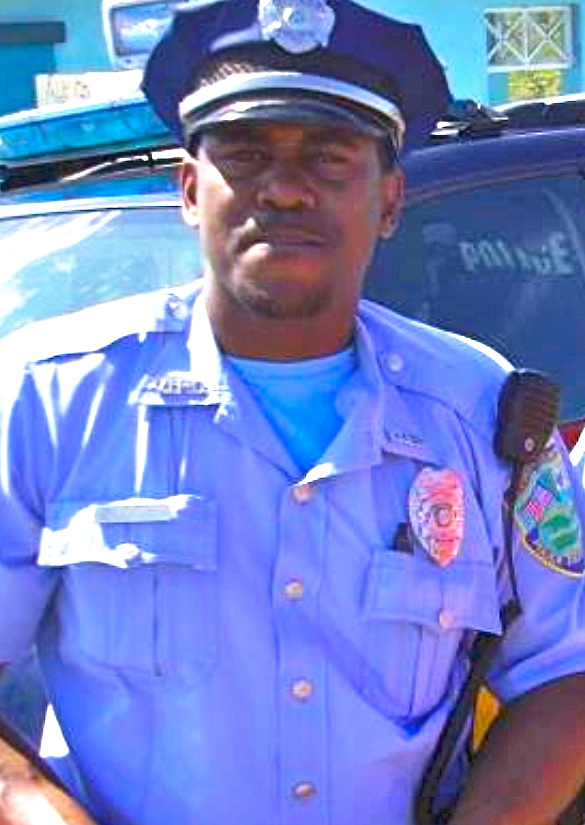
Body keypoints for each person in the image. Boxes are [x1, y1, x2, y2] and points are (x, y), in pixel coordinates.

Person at [0, 1, 585, 824]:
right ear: (189, 191)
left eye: (329, 156)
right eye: (244, 154)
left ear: (388, 202)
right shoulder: (46, 396)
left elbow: (564, 670)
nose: (282, 186)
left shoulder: (480, 410)